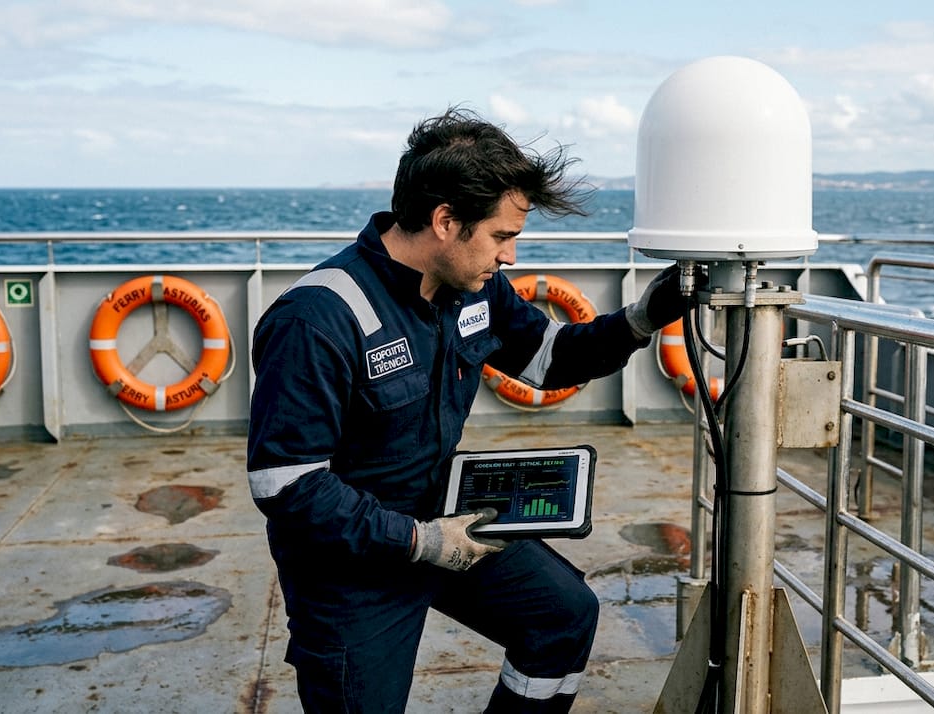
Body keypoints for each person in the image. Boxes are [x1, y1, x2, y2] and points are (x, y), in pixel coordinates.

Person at [246, 107, 689, 713]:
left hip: (446, 519)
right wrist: (421, 542)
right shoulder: (317, 319)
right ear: (446, 221)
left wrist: (641, 319)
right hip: (351, 569)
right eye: (502, 236)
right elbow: (286, 485)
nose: (509, 255)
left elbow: (549, 358)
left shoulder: (471, 287)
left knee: (562, 618)